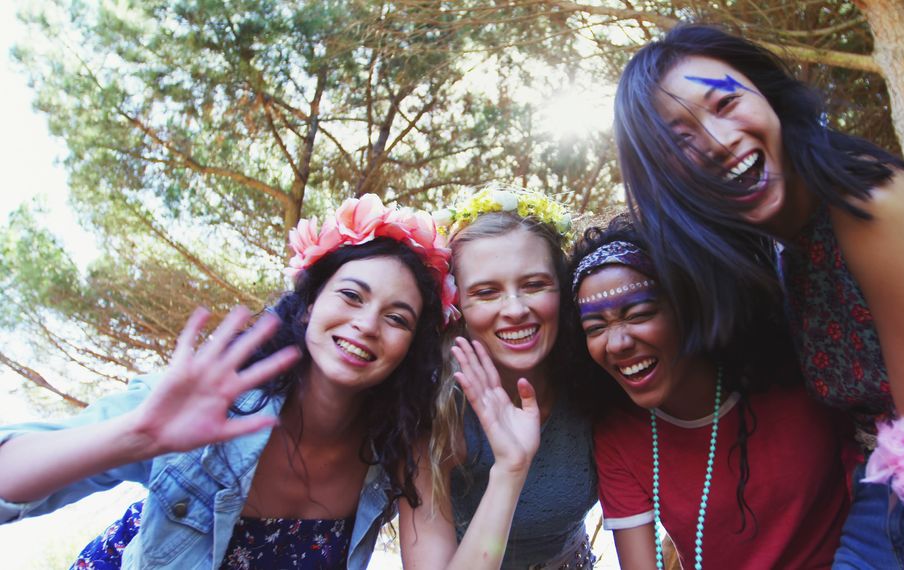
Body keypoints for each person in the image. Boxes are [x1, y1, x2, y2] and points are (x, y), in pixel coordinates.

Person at [611, 23, 904, 569]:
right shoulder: (778, 247)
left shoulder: (872, 204)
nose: (718, 142)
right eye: (681, 141)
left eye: (726, 102)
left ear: (770, 97)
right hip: (888, 488)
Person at [0, 195, 455, 569]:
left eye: (397, 318)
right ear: (309, 305)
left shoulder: (393, 452)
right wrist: (136, 436)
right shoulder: (209, 399)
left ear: (411, 349)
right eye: (351, 295)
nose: (368, 324)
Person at [569, 215, 851, 570]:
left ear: (690, 304)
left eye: (640, 314)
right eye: (595, 327)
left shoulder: (798, 373)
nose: (618, 342)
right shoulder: (620, 433)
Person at [399, 186, 598, 569]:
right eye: (487, 292)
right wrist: (510, 468)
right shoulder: (429, 413)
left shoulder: (595, 385)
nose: (515, 309)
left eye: (534, 285)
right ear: (456, 307)